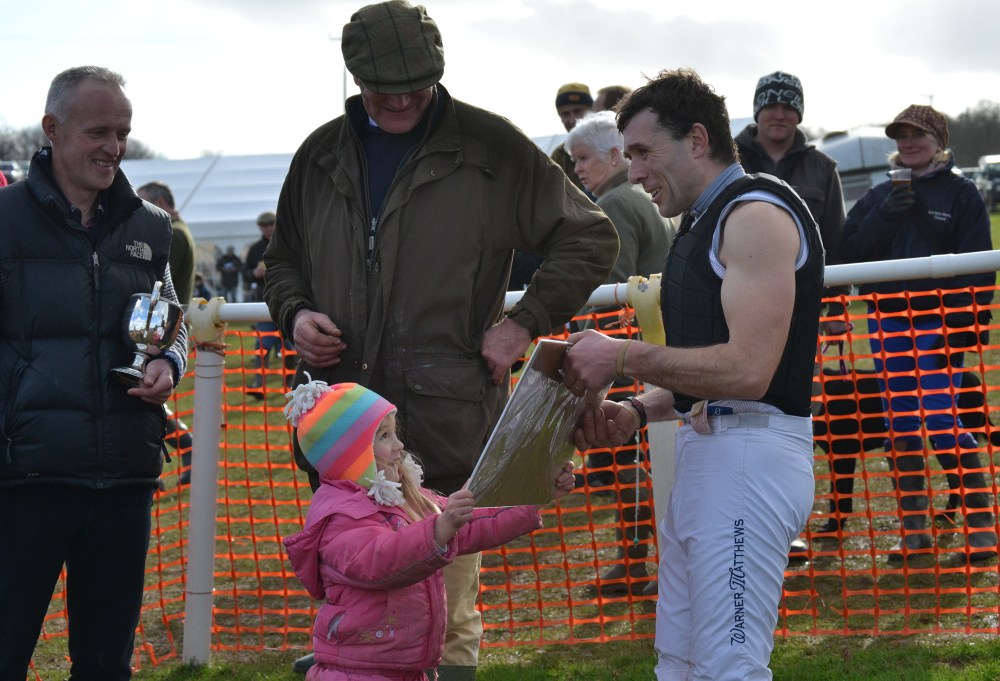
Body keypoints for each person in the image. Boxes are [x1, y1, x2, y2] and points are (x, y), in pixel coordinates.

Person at [263, 3, 616, 678]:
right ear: (353, 73)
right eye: (379, 81)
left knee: (447, 613)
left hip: (445, 425)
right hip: (342, 444)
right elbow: (284, 260)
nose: (398, 95)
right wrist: (296, 311)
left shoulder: (491, 148)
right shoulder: (320, 155)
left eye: (415, 80)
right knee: (358, 592)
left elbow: (591, 234)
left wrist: (523, 321)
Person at [563, 68, 824, 680]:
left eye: (643, 152)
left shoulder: (754, 215)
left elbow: (749, 370)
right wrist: (635, 411)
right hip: (713, 456)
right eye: (627, 155)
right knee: (679, 664)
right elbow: (709, 375)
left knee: (729, 667)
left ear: (699, 140)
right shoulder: (708, 217)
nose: (633, 172)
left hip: (748, 462)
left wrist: (621, 356)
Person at [0, 65, 188, 681]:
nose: (114, 147)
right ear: (52, 129)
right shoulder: (5, 220)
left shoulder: (152, 228)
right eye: (98, 131)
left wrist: (168, 360)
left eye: (124, 133)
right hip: (25, 476)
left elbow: (173, 320)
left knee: (107, 664)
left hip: (123, 479)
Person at [282, 378, 576, 680]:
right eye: (383, 436)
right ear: (349, 455)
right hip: (359, 671)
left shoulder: (405, 497)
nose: (398, 445)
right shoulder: (339, 517)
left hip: (406, 666)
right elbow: (381, 560)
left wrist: (536, 495)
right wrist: (441, 526)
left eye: (394, 433)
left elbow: (471, 523)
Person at [840, 104, 997, 565]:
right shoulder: (878, 194)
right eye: (901, 135)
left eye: (919, 135)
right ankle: (915, 534)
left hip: (939, 330)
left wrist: (964, 331)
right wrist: (886, 215)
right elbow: (848, 254)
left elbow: (980, 270)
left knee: (946, 427)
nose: (909, 143)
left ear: (939, 141)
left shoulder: (962, 193)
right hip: (886, 326)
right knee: (900, 431)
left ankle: (982, 533)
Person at [734, 71, 850, 558]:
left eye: (788, 106)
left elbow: (837, 244)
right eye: (771, 106)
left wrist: (839, 308)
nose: (779, 114)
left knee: (795, 417)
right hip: (736, 307)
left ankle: (789, 524)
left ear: (799, 113)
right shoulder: (730, 159)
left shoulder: (822, 167)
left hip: (804, 314)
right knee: (740, 414)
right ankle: (742, 516)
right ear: (758, 111)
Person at [564, 110, 677, 595]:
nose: (578, 169)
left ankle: (635, 561)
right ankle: (657, 562)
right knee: (659, 461)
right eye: (574, 160)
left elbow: (613, 290)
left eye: (584, 158)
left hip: (627, 355)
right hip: (660, 350)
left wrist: (591, 353)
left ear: (614, 155)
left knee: (623, 459)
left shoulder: (613, 203)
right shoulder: (645, 198)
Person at [245, 210, 293, 394]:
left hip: (288, 300)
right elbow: (246, 271)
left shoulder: (289, 242)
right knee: (263, 344)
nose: (267, 228)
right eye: (263, 225)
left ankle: (292, 384)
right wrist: (254, 274)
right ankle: (259, 382)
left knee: (291, 344)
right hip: (263, 302)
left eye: (270, 223)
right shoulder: (256, 248)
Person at [138, 180, 196, 305]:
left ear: (159, 202)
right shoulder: (178, 229)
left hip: (169, 318)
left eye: (142, 205)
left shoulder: (173, 233)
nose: (138, 211)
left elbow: (156, 283)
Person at [550, 82, 593, 194]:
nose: (572, 120)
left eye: (578, 112)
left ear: (591, 112)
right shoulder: (559, 155)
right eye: (565, 114)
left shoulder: (608, 146)